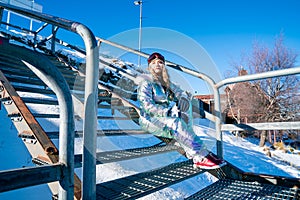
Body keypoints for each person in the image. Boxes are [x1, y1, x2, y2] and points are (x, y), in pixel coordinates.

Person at [137, 52, 226, 169]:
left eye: (160, 63)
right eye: (153, 63)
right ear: (150, 67)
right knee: (176, 122)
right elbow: (146, 105)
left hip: (164, 119)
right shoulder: (146, 82)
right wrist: (167, 111)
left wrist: (183, 98)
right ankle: (199, 157)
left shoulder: (166, 83)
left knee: (186, 106)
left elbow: (180, 92)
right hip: (149, 119)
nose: (157, 65)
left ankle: (196, 150)